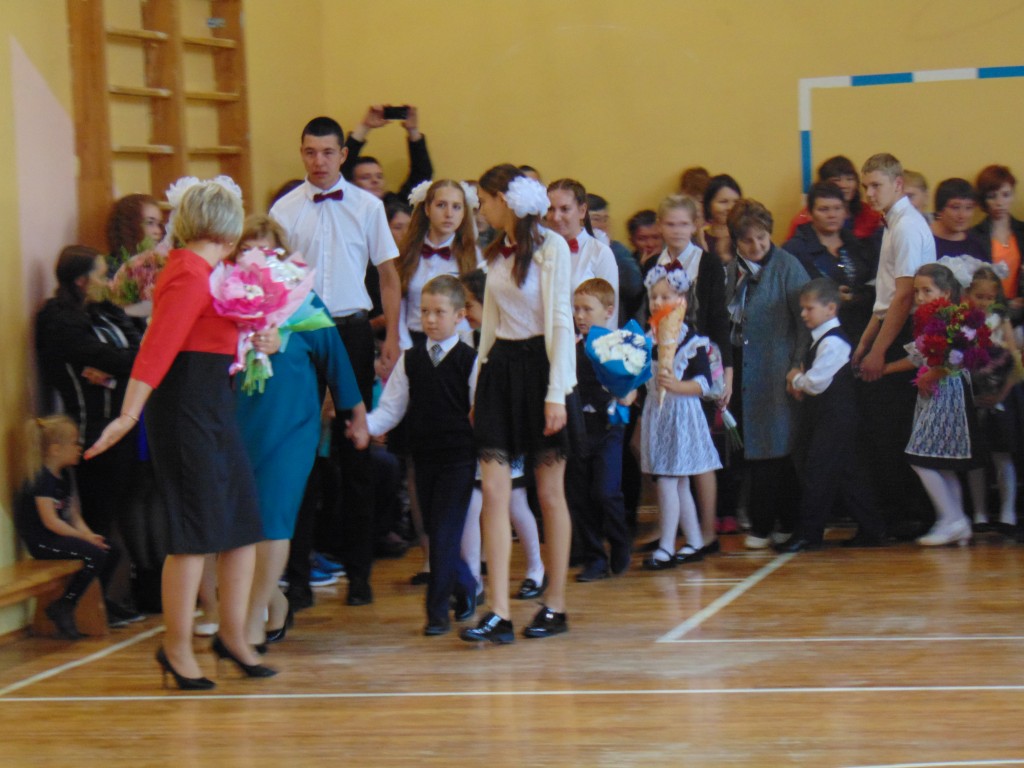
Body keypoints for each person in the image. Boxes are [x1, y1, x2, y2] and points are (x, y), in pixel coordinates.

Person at [86, 177, 276, 690]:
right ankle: (176, 648)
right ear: (227, 227)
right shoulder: (188, 273)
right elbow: (157, 349)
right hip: (186, 410)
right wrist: (128, 416)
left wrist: (264, 338)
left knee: (241, 526)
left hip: (213, 405)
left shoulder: (210, 272)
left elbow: (216, 339)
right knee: (194, 534)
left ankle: (232, 637)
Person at [270, 116, 402, 606]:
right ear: (301, 153)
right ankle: (298, 577)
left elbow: (388, 276)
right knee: (300, 452)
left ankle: (360, 573)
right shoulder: (284, 209)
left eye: (327, 152)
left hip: (351, 330)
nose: (318, 161)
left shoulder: (368, 206)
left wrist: (392, 336)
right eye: (310, 152)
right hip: (301, 333)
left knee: (356, 451)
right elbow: (274, 280)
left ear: (343, 154)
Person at [232, 215, 369, 650]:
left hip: (292, 428)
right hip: (238, 425)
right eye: (246, 249)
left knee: (274, 518)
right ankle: (273, 600)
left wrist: (357, 415)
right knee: (241, 525)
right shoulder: (226, 301)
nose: (256, 258)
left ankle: (252, 619)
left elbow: (337, 361)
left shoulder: (303, 302)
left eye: (265, 249)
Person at [460, 165, 575, 644]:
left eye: (484, 199)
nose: (480, 208)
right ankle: (498, 611)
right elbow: (489, 325)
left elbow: (561, 320)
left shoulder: (552, 248)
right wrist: (478, 385)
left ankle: (556, 604)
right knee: (493, 491)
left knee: (549, 494)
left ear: (504, 200)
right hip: (500, 371)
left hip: (540, 372)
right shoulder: (494, 251)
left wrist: (556, 393)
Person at [34, 245, 145, 625]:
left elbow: (138, 353)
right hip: (90, 430)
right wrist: (116, 368)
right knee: (97, 515)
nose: (109, 281)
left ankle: (103, 598)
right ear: (81, 280)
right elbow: (109, 359)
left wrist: (113, 372)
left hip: (123, 423)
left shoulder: (105, 310)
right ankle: (83, 604)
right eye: (101, 275)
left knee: (117, 511)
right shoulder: (57, 319)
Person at [363, 275, 478, 635]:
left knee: (444, 532)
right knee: (432, 529)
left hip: (459, 458)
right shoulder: (410, 360)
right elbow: (391, 408)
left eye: (439, 312)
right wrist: (364, 426)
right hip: (424, 458)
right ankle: (466, 585)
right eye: (425, 311)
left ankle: (437, 612)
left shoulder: (470, 361)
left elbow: (479, 412)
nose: (430, 319)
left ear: (459, 315)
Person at [852, 153, 936, 539]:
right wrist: (865, 341)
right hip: (890, 328)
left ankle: (907, 515)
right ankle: (896, 514)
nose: (869, 194)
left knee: (892, 430)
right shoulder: (892, 223)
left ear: (898, 185)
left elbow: (903, 298)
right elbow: (885, 298)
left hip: (904, 333)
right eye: (865, 186)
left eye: (876, 186)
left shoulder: (906, 227)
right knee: (881, 430)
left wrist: (878, 351)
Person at [725, 200, 810, 548]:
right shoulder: (731, 271)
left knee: (776, 448)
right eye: (747, 240)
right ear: (736, 241)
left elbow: (805, 323)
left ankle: (770, 525)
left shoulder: (788, 267)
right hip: (743, 372)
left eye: (762, 237)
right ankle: (775, 522)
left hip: (777, 370)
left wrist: (798, 363)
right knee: (754, 449)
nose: (757, 245)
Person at [459, 269, 547, 600]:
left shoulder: (506, 340)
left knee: (515, 502)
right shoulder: (467, 339)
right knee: (472, 505)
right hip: (477, 434)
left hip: (504, 431)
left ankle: (536, 568)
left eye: (470, 304)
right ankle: (473, 578)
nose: (465, 312)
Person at [653, 194, 732, 552]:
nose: (676, 230)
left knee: (699, 449)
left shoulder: (708, 263)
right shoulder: (653, 264)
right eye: (670, 224)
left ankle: (707, 529)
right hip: (663, 363)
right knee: (658, 445)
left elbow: (719, 321)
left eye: (684, 224)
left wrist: (725, 374)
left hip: (700, 361)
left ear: (695, 225)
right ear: (660, 226)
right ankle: (672, 525)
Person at [782, 279, 885, 551]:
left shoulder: (833, 342)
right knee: (847, 474)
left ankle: (809, 534)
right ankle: (872, 528)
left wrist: (796, 378)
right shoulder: (823, 340)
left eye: (809, 308)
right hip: (831, 416)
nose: (803, 314)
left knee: (817, 472)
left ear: (830, 308)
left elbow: (816, 383)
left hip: (835, 417)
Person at [883, 264, 979, 546]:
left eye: (927, 291)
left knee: (921, 457)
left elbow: (959, 357)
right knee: (940, 461)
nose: (920, 297)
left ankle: (953, 518)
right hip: (933, 393)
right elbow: (919, 357)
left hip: (948, 392)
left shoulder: (956, 319)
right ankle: (955, 519)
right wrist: (883, 368)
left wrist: (933, 375)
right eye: (917, 292)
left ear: (946, 293)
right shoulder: (928, 321)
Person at [641, 265, 722, 568]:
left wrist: (677, 385)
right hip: (657, 414)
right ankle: (694, 541)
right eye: (654, 297)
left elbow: (703, 384)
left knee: (667, 479)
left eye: (666, 296)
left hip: (681, 415)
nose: (658, 302)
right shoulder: (647, 339)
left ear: (682, 300)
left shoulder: (692, 341)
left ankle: (666, 546)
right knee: (678, 483)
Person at [16, 415, 120, 639]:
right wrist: (84, 540)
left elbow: (73, 515)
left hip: (59, 537)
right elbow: (51, 521)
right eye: (74, 443)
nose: (79, 448)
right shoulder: (41, 479)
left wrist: (90, 535)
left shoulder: (65, 475)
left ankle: (93, 600)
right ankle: (65, 604)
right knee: (94, 555)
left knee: (110, 551)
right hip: (43, 542)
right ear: (55, 450)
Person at [568, 278, 633, 581]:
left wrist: (628, 392)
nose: (580, 315)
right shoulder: (570, 348)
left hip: (609, 426)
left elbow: (633, 384)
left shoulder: (620, 346)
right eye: (576, 309)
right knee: (580, 495)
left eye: (587, 309)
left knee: (606, 491)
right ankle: (594, 558)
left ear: (608, 311)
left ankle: (620, 541)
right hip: (579, 426)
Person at [963, 267, 1020, 533]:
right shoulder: (963, 320)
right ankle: (979, 513)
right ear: (968, 294)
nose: (984, 302)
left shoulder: (1000, 318)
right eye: (979, 297)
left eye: (989, 297)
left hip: (1000, 392)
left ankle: (1008, 513)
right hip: (974, 390)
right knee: (975, 455)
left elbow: (1012, 354)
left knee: (1001, 453)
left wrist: (999, 392)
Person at [783, 182, 875, 340]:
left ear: (845, 211)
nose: (832, 215)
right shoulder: (793, 251)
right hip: (812, 337)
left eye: (837, 208)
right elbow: (787, 297)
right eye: (824, 209)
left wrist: (856, 295)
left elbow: (873, 286)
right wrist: (829, 296)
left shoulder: (859, 246)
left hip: (858, 333)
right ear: (809, 213)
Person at [546, 178, 620, 318]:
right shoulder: (540, 251)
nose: (556, 217)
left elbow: (610, 314)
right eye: (551, 209)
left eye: (565, 209)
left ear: (582, 211)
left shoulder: (600, 253)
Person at [341, 104, 433, 206]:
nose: (375, 181)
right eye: (365, 177)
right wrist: (364, 127)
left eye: (379, 176)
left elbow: (422, 176)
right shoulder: (344, 206)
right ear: (351, 183)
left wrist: (413, 131)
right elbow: (340, 169)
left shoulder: (395, 206)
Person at [784, 156, 883, 243]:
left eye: (850, 179)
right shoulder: (803, 221)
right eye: (836, 180)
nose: (844, 185)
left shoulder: (870, 214)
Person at [587, 193, 644, 329]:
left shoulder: (617, 250)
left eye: (605, 219)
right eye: (596, 219)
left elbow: (634, 287)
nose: (602, 225)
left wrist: (609, 252)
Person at [973, 165, 1024, 304]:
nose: (999, 203)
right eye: (992, 196)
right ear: (983, 200)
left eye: (1006, 195)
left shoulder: (1022, 231)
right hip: (988, 307)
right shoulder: (975, 235)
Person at [931, 178, 986, 260]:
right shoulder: (923, 239)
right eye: (955, 207)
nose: (962, 215)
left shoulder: (976, 246)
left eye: (969, 208)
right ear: (940, 209)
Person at [105, 193, 165, 266]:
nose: (158, 231)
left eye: (159, 224)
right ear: (129, 225)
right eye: (150, 223)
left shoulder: (160, 262)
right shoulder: (110, 267)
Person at [703, 175, 742, 266]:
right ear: (708, 205)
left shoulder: (745, 237)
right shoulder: (699, 239)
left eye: (736, 202)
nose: (730, 208)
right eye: (723, 202)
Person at [627, 209, 664, 281]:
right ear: (632, 241)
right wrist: (642, 268)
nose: (650, 244)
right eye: (642, 239)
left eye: (656, 237)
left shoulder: (676, 261)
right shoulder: (627, 266)